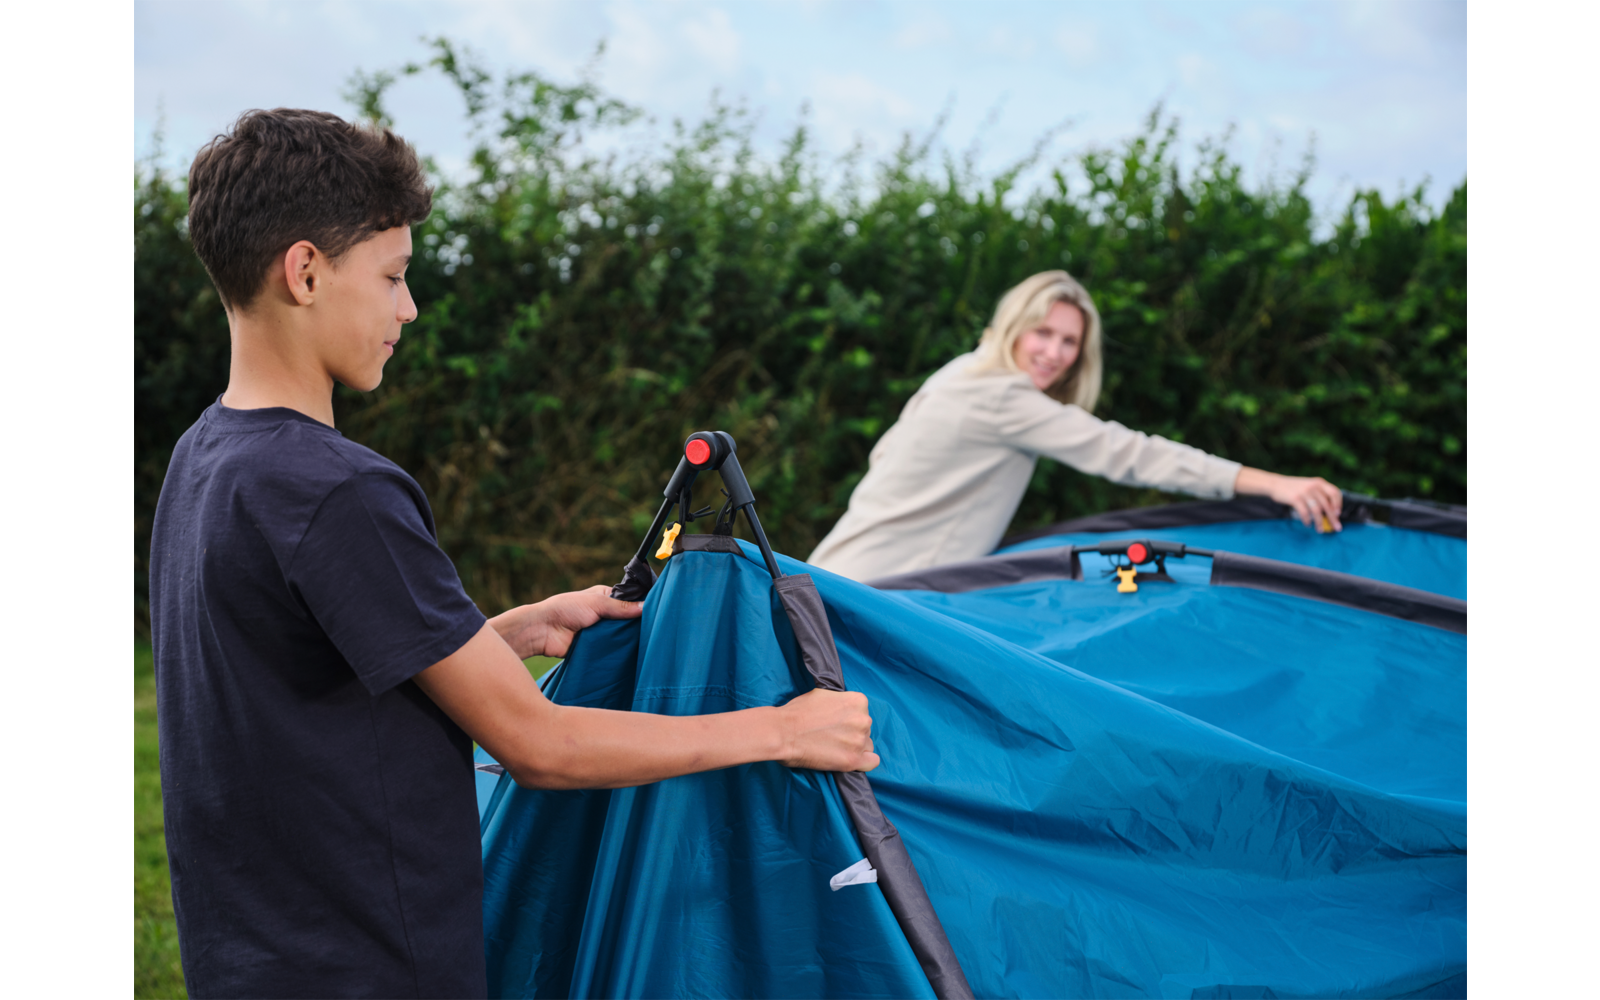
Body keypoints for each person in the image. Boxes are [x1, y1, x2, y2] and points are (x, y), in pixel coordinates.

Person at [148, 108, 878, 1000]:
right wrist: (783, 730)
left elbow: (302, 683)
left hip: (254, 957)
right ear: (305, 271)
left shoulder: (208, 457)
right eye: (393, 276)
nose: (407, 308)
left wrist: (508, 632)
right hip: (374, 966)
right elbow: (543, 745)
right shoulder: (339, 491)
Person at [807, 270, 1344, 581]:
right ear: (1015, 327)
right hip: (879, 593)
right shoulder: (1001, 398)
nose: (1054, 354)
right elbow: (1127, 452)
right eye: (1043, 333)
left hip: (834, 577)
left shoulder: (964, 372)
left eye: (1070, 342)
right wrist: (1274, 483)